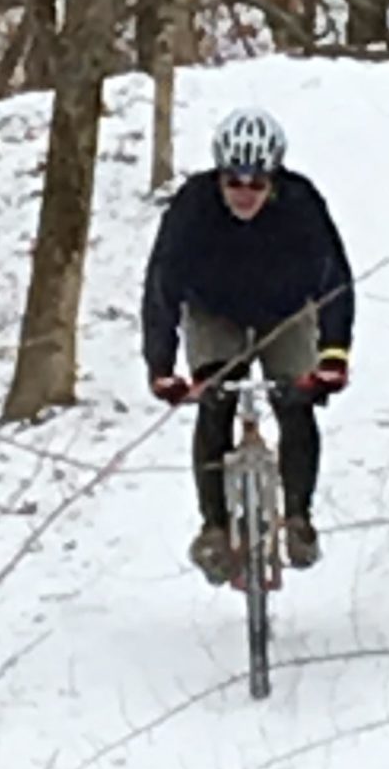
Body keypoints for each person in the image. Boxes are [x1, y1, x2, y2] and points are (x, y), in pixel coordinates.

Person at [141, 104, 354, 580]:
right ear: (218, 178)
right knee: (215, 400)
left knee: (296, 401)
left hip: (286, 312)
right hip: (214, 312)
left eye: (256, 183)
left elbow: (335, 281)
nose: (244, 193)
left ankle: (298, 518)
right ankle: (213, 528)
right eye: (233, 182)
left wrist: (333, 358)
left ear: (274, 180)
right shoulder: (192, 208)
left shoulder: (302, 205)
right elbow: (161, 288)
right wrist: (162, 368)